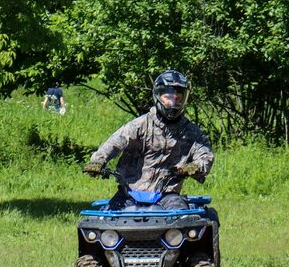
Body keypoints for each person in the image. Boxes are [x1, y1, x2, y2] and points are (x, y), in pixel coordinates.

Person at [82, 70, 214, 210]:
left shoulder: (191, 132)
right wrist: (97, 162)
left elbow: (205, 157)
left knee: (182, 219)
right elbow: (114, 143)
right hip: (128, 193)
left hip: (168, 195)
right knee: (106, 221)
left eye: (178, 98)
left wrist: (189, 168)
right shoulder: (140, 125)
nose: (173, 102)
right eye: (168, 97)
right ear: (158, 96)